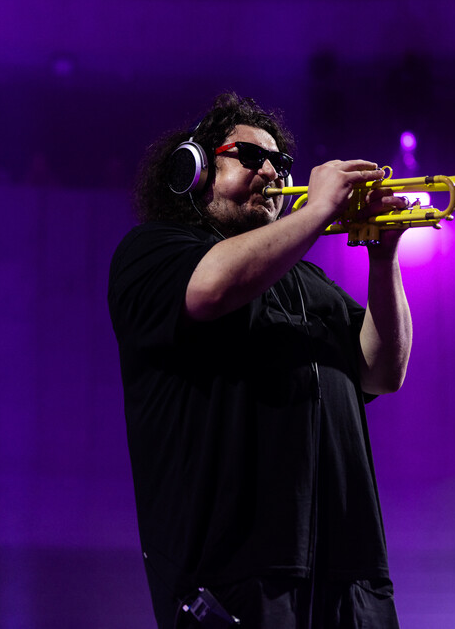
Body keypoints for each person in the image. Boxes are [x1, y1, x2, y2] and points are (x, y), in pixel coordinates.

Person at [107, 92, 413, 628]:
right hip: (234, 579)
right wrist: (318, 211)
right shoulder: (152, 250)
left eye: (281, 162)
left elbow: (382, 371)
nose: (272, 172)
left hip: (351, 576)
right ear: (195, 169)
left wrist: (384, 256)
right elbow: (211, 287)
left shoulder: (308, 280)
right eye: (250, 157)